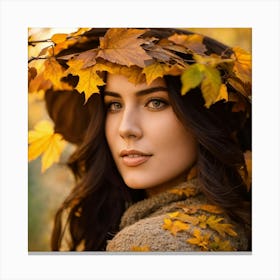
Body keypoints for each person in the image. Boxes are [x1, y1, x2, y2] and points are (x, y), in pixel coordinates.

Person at [28, 28, 252, 252]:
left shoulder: (145, 244)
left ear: (202, 117)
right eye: (114, 105)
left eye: (155, 103)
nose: (126, 129)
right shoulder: (237, 224)